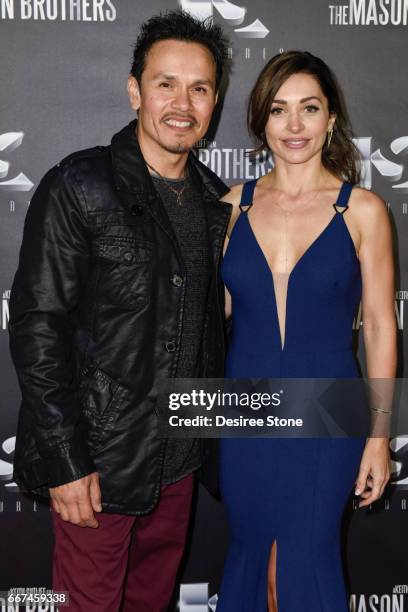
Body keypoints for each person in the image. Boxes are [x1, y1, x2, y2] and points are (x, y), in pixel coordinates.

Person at [8, 10, 231, 612]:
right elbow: (37, 327)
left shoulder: (219, 204)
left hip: (179, 467)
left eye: (200, 87)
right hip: (99, 466)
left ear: (214, 102)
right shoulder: (78, 185)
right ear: (135, 90)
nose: (181, 103)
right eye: (165, 83)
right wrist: (65, 459)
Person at [217, 51, 395, 611]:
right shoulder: (229, 208)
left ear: (331, 119)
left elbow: (381, 328)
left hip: (328, 410)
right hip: (242, 410)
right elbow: (203, 320)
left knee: (297, 565)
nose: (294, 126)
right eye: (278, 110)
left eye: (309, 109)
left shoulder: (362, 210)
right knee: (251, 557)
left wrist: (380, 435)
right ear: (260, 121)